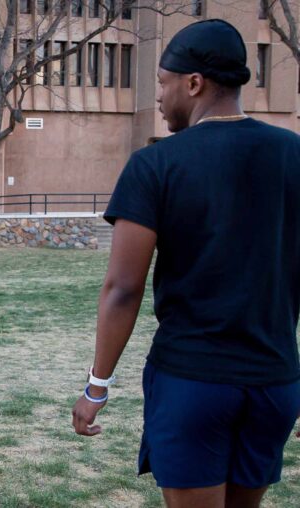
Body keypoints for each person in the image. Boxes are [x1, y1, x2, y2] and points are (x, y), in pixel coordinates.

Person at [71, 19, 300, 508]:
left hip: (192, 382)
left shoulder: (156, 164)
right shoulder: (294, 155)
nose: (158, 96)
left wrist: (97, 387)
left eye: (161, 82)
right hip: (274, 384)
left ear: (193, 84)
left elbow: (122, 288)